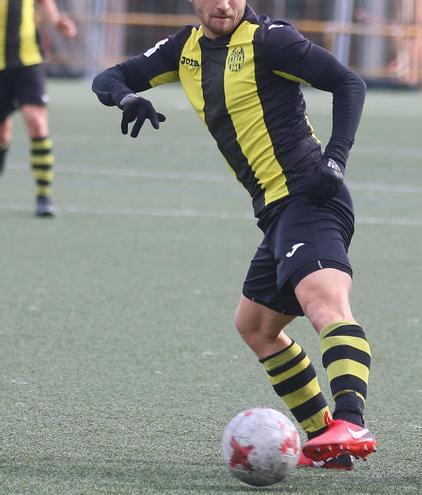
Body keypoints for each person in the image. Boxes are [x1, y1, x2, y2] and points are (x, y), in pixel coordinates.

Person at [92, 0, 375, 470]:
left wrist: (335, 159)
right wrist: (128, 97)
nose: (223, 4)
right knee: (257, 328)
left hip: (310, 196)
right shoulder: (184, 48)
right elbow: (107, 78)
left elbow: (348, 82)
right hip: (275, 213)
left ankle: (351, 420)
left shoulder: (271, 39)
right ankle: (327, 440)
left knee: (325, 302)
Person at [0, 0, 76, 217]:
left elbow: (43, 2)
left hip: (28, 62)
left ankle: (44, 197)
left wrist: (57, 22)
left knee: (36, 123)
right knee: (2, 133)